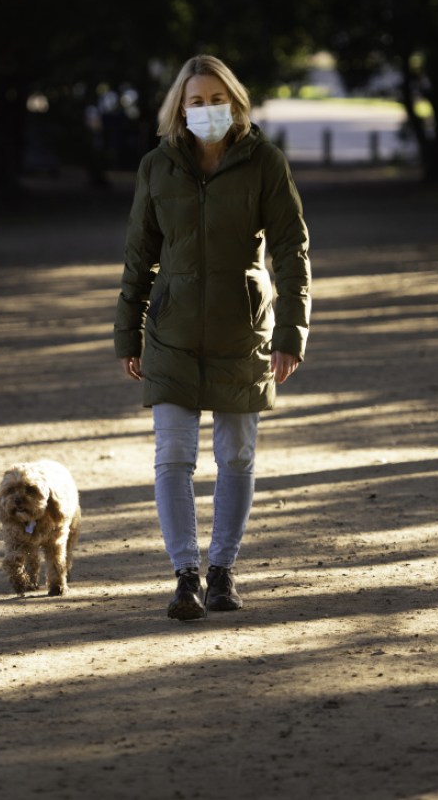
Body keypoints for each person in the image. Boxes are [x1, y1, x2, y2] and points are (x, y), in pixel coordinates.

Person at [114, 55, 310, 621]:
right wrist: (128, 333)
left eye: (216, 99)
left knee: (237, 455)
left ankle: (223, 570)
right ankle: (185, 577)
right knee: (172, 457)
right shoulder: (157, 166)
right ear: (179, 107)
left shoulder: (264, 162)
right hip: (171, 332)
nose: (206, 110)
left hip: (242, 329)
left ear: (236, 103)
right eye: (195, 101)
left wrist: (292, 331)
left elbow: (291, 250)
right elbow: (138, 257)